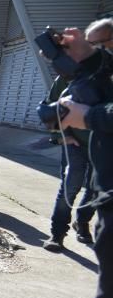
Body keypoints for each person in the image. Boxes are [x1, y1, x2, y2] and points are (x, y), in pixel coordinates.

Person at [34, 23, 113, 298]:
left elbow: (98, 107)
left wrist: (93, 118)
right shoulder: (97, 66)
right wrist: (82, 57)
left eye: (106, 45)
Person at [42, 73, 97, 251]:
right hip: (75, 141)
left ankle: (82, 221)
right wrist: (60, 136)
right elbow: (50, 107)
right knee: (70, 185)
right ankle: (57, 234)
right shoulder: (72, 71)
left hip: (104, 144)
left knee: (96, 189)